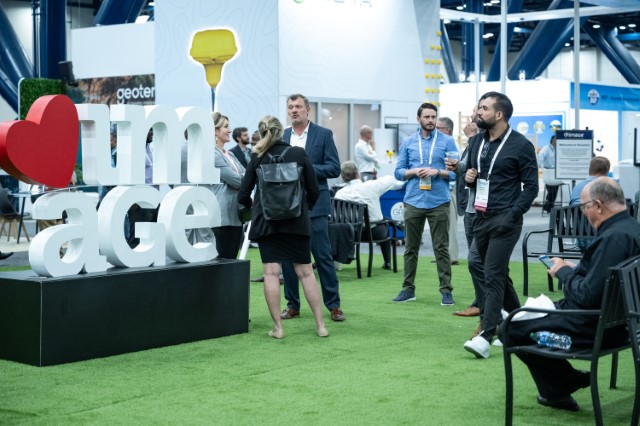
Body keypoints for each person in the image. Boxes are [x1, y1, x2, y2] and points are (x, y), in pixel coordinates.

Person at [500, 177, 640, 412]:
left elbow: (585, 297)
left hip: (594, 329)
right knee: (528, 318)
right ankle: (563, 383)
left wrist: (563, 272)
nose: (583, 213)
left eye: (584, 207)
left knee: (509, 328)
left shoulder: (612, 238)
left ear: (598, 205)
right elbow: (602, 278)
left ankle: (560, 387)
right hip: (622, 323)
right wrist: (574, 269)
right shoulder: (631, 229)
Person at [462, 91, 538, 359]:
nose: (478, 112)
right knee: (489, 270)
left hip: (506, 219)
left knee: (493, 273)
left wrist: (512, 214)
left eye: (484, 108)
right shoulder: (477, 141)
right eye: (479, 107)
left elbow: (531, 187)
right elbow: (475, 176)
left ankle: (486, 334)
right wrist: (469, 177)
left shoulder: (521, 145)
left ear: (499, 114)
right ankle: (519, 324)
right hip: (480, 215)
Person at [238, 115, 328, 339]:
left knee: (271, 273)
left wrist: (254, 208)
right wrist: (302, 210)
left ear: (261, 133)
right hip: (297, 222)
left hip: (267, 223)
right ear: (281, 132)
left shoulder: (256, 156)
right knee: (306, 273)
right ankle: (320, 325)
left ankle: (278, 328)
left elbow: (243, 194)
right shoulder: (298, 154)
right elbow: (314, 190)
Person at [280, 93, 344, 322]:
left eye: (298, 106)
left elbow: (334, 168)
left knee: (322, 256)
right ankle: (292, 305)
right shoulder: (282, 136)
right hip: (287, 205)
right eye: (290, 107)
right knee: (288, 258)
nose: (294, 110)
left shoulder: (323, 134)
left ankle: (334, 306)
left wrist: (304, 167)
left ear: (308, 109)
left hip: (316, 205)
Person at [392, 102, 458, 305]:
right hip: (413, 200)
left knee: (441, 248)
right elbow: (398, 172)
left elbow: (456, 173)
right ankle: (408, 289)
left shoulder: (447, 141)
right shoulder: (408, 142)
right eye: (427, 117)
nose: (430, 120)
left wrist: (437, 171)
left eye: (433, 117)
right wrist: (414, 171)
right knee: (410, 248)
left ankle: (446, 291)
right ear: (418, 119)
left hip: (439, 200)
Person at [334, 161, 404, 269]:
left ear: (343, 177)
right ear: (358, 174)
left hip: (351, 234)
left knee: (380, 220)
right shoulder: (371, 186)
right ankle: (387, 262)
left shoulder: (339, 194)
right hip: (375, 233)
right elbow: (390, 180)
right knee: (383, 222)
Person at [211, 112, 246, 259]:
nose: (230, 130)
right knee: (223, 260)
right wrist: (243, 180)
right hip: (222, 216)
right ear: (215, 131)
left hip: (235, 214)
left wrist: (243, 180)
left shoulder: (229, 155)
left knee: (231, 259)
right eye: (226, 127)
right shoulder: (212, 154)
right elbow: (238, 180)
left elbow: (246, 176)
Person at [435, 116, 459, 266]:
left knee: (451, 224)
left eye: (438, 128)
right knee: (441, 224)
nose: (435, 130)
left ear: (447, 130)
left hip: (450, 188)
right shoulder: (440, 144)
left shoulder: (452, 146)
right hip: (440, 188)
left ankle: (452, 255)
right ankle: (443, 255)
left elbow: (454, 170)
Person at [538, 135, 561, 213]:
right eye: (555, 139)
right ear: (551, 140)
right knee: (551, 190)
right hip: (548, 172)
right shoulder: (546, 148)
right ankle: (547, 207)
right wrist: (543, 168)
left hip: (557, 172)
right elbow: (540, 157)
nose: (556, 141)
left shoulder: (558, 148)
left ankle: (549, 207)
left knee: (554, 190)